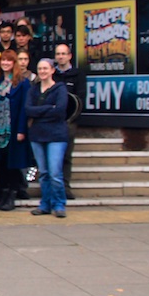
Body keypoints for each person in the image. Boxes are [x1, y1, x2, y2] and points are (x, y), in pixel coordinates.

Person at [26, 58, 70, 218]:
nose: (42, 71)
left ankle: (59, 204)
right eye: (40, 68)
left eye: (45, 68)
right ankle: (45, 203)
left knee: (55, 173)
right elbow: (28, 110)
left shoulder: (60, 89)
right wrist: (47, 109)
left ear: (52, 70)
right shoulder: (33, 89)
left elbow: (60, 111)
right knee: (43, 172)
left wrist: (40, 112)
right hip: (37, 134)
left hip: (56, 135)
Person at [0, 49, 30, 210]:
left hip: (14, 128)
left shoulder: (22, 82)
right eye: (3, 60)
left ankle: (12, 195)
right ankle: (3, 193)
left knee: (13, 163)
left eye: (9, 61)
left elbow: (24, 108)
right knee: (1, 163)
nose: (5, 63)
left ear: (14, 63)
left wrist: (21, 130)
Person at [53, 43, 86, 200]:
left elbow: (81, 98)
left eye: (63, 54)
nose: (60, 56)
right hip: (52, 122)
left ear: (69, 56)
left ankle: (65, 186)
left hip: (69, 122)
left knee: (66, 156)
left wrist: (72, 118)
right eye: (58, 54)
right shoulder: (52, 74)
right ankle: (53, 187)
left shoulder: (77, 75)